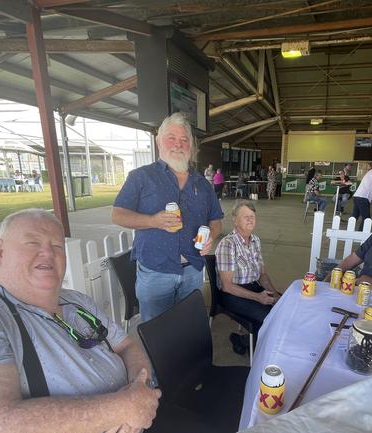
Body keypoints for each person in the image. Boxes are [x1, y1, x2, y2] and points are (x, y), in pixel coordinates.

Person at [0, 209, 161, 433]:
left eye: (57, 246)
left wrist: (139, 388)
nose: (48, 253)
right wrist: (123, 408)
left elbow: (126, 345)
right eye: (32, 243)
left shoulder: (77, 301)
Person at [112, 113, 223, 322]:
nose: (178, 144)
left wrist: (211, 236)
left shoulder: (203, 184)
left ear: (190, 146)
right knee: (156, 331)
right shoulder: (141, 176)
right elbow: (117, 214)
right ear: (158, 141)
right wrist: (152, 221)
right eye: (171, 137)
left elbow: (215, 219)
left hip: (192, 271)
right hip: (155, 272)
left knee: (187, 326)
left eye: (184, 140)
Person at [215, 201, 280, 354]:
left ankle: (248, 343)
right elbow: (227, 286)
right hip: (232, 294)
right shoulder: (228, 244)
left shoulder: (255, 240)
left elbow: (262, 275)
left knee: (282, 308)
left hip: (254, 287)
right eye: (246, 217)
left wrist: (275, 294)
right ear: (235, 220)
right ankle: (246, 343)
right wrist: (258, 297)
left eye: (252, 216)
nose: (251, 220)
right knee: (269, 318)